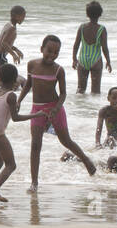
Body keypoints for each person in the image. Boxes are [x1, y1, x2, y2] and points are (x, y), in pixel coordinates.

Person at [24, 34, 97, 188]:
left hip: (55, 108)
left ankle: (85, 160)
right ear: (41, 49)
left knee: (66, 141)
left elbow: (63, 94)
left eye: (56, 52)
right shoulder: (31, 65)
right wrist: (18, 100)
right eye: (49, 51)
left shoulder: (58, 70)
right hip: (37, 109)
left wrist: (56, 109)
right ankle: (34, 182)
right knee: (35, 145)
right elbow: (28, 85)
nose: (52, 55)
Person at [0, 64, 46, 203]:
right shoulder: (11, 95)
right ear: (15, 79)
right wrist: (36, 115)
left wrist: (11, 106)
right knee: (11, 165)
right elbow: (15, 118)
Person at [72, 0, 112, 94]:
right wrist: (108, 61)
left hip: (82, 60)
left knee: (80, 90)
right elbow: (104, 48)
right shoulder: (101, 29)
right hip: (96, 60)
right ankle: (93, 108)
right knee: (95, 91)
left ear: (87, 14)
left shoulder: (82, 27)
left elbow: (76, 45)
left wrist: (74, 59)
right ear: (100, 14)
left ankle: (80, 108)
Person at [0, 6, 26, 70]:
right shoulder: (12, 28)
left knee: (3, 76)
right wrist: (14, 55)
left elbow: (6, 43)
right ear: (16, 16)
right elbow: (3, 43)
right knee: (6, 77)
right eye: (23, 16)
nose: (23, 19)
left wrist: (16, 50)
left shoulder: (8, 24)